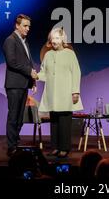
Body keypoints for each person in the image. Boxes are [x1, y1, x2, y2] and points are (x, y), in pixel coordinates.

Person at [32, 28, 83, 158]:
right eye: (52, 38)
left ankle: (65, 148)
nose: (54, 41)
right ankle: (55, 147)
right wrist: (36, 76)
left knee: (64, 120)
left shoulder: (69, 53)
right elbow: (44, 73)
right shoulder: (48, 55)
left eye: (57, 38)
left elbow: (76, 72)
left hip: (66, 93)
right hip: (52, 93)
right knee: (54, 121)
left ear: (62, 39)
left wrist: (75, 91)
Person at [3, 14, 36, 157]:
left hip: (23, 84)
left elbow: (28, 61)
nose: (28, 28)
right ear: (17, 25)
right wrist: (29, 71)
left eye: (29, 26)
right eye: (25, 25)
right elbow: (12, 62)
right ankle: (11, 146)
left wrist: (32, 79)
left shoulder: (24, 41)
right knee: (13, 115)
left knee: (19, 116)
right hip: (14, 84)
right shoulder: (10, 40)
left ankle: (15, 140)